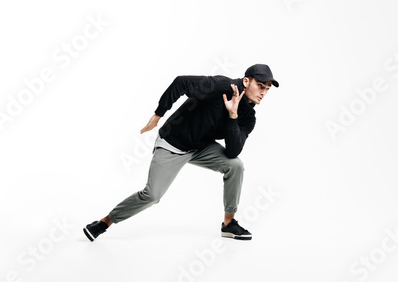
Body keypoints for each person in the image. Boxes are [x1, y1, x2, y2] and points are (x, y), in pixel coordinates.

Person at [83, 64, 279, 241]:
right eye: (260, 85)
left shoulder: (248, 117)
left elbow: (232, 151)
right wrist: (158, 115)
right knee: (152, 195)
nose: (263, 92)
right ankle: (104, 222)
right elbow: (181, 82)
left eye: (267, 89)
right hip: (173, 143)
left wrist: (232, 115)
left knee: (236, 165)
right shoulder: (221, 86)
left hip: (201, 147)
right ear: (246, 81)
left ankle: (229, 224)